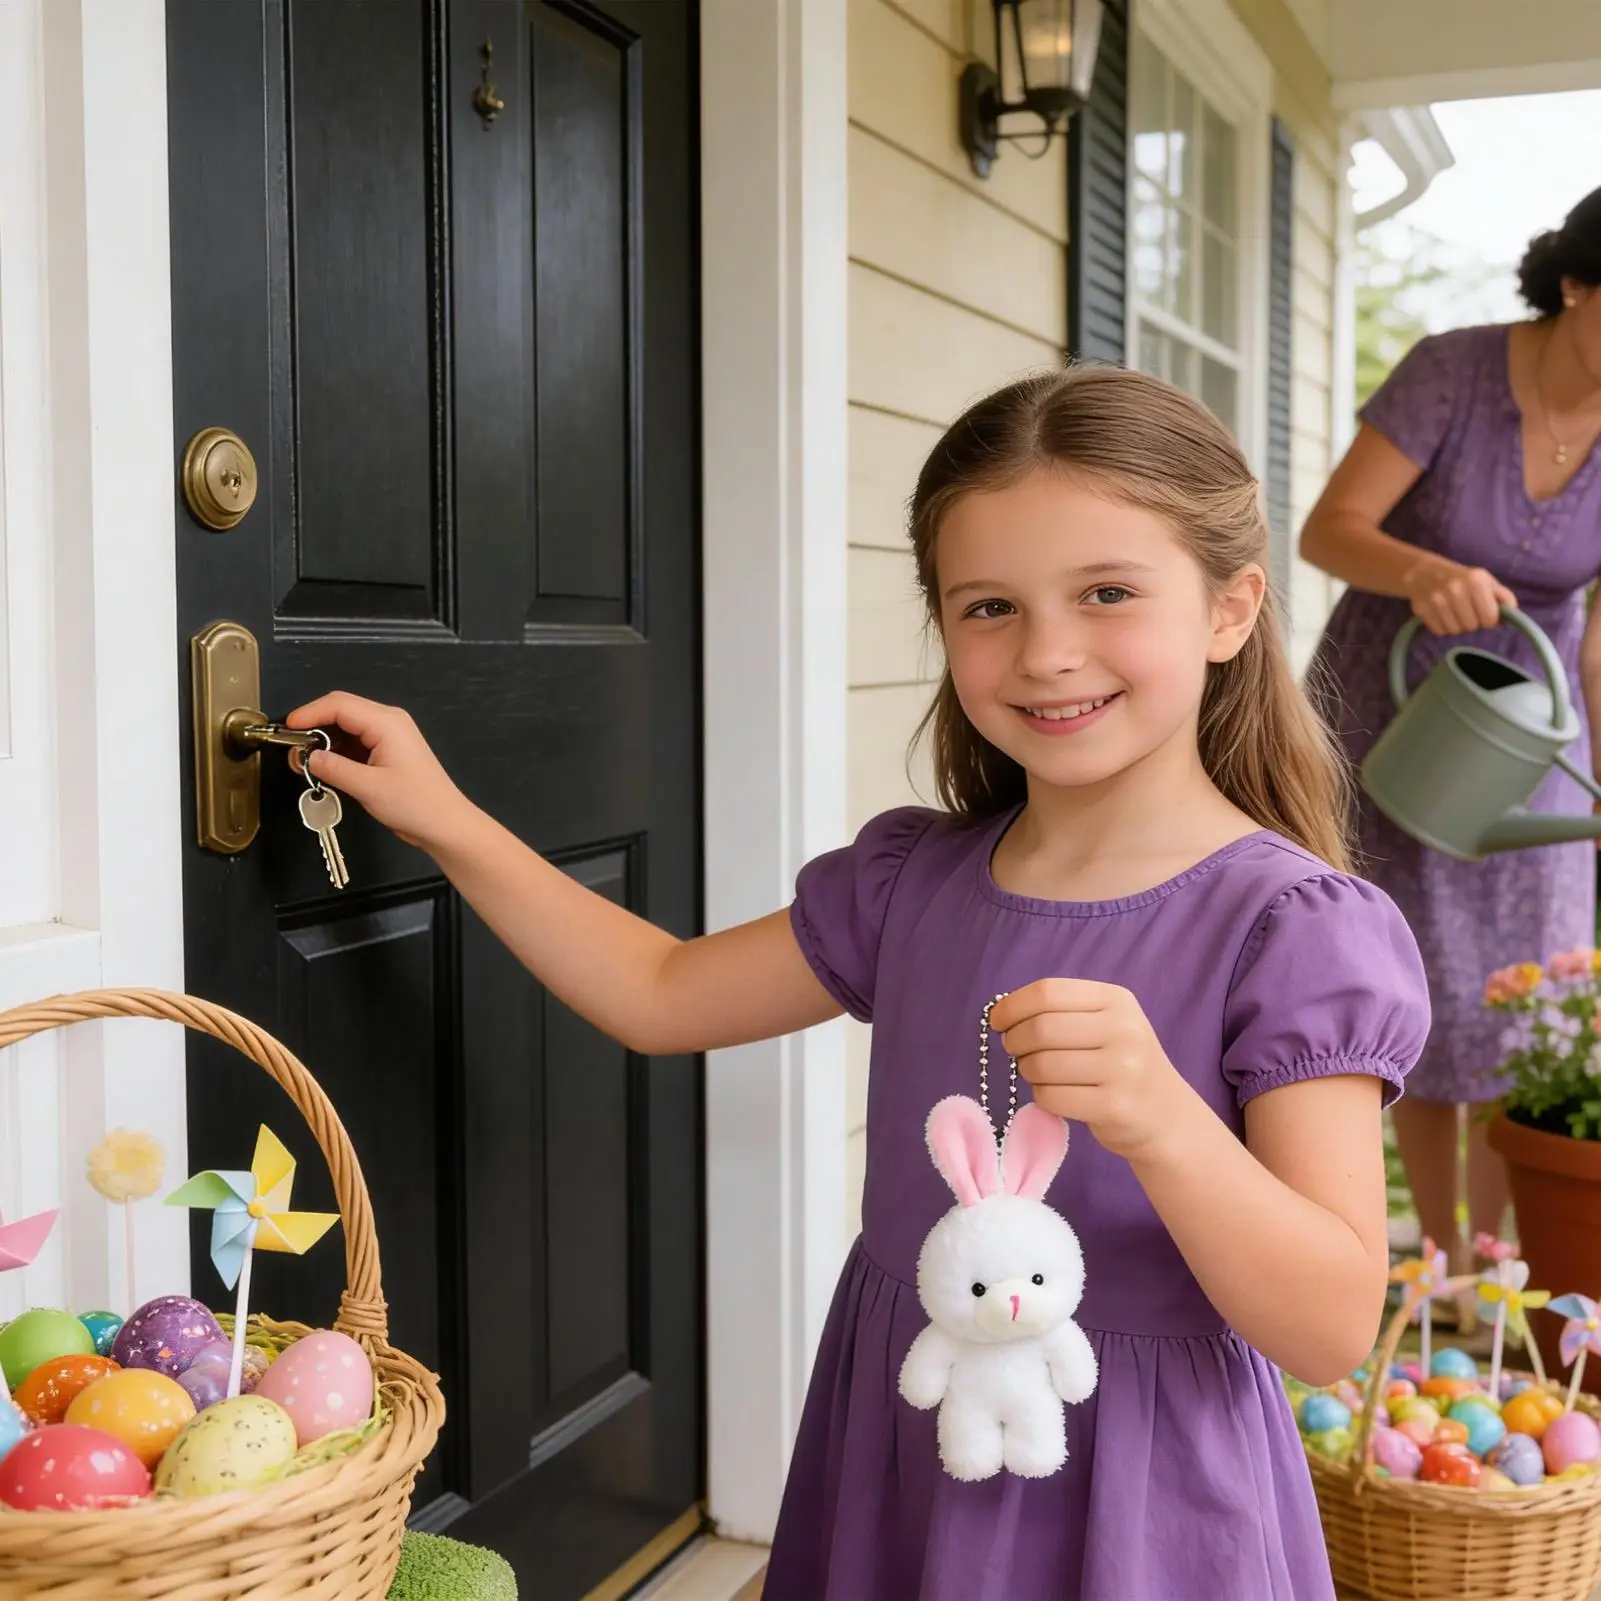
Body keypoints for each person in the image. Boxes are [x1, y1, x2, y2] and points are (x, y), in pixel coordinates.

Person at [289, 366, 1428, 1601]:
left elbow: (1324, 1327)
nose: (1046, 653)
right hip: (904, 1459)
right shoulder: (910, 882)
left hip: (1145, 1505)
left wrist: (1159, 1118)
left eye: (1106, 592)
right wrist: (443, 816)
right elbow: (661, 991)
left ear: (1228, 606)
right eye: (988, 606)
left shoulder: (1290, 927)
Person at [1301, 184, 1601, 1303]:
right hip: (1397, 711)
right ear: (1576, 283)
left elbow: (1599, 633)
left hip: (1531, 727)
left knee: (1520, 1002)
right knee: (1417, 985)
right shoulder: (1450, 372)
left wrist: (1597, 784)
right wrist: (1420, 568)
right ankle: (1431, 1261)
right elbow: (1326, 527)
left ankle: (1500, 1274)